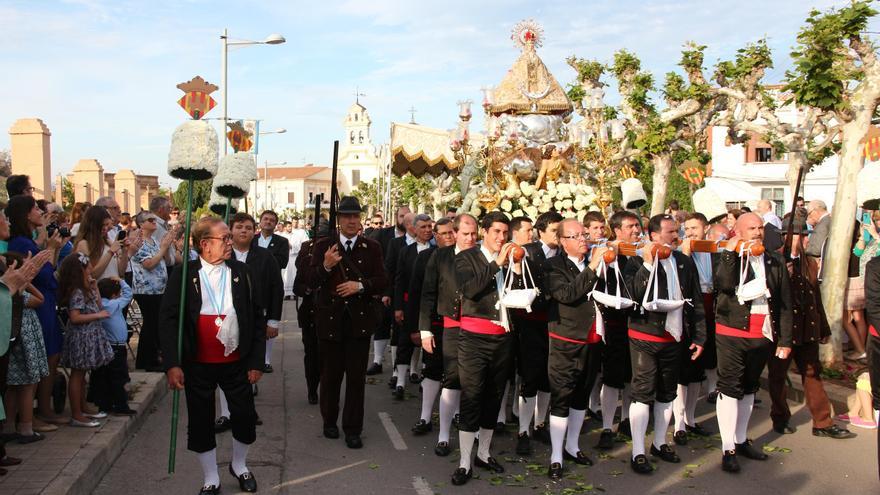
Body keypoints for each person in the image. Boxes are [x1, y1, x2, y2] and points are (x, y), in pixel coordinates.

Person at [160, 217, 265, 494]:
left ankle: (239, 466)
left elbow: (255, 319)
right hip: (197, 364)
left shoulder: (242, 273)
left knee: (244, 415)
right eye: (225, 238)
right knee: (200, 420)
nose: (231, 242)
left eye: (230, 237)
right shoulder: (183, 276)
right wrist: (172, 364)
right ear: (205, 244)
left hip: (236, 363)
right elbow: (168, 321)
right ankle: (211, 478)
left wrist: (256, 362)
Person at [624, 214, 706, 474]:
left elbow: (695, 301)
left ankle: (660, 442)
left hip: (675, 336)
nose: (675, 235)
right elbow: (633, 295)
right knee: (642, 392)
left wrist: (700, 336)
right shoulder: (636, 259)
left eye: (676, 230)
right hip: (644, 335)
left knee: (667, 392)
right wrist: (648, 265)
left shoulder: (682, 261)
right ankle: (638, 450)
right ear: (653, 235)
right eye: (669, 231)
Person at [714, 212, 792, 473]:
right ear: (737, 231)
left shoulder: (774, 260)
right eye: (751, 228)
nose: (757, 232)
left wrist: (786, 339)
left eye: (760, 228)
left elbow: (784, 303)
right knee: (730, 387)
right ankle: (728, 448)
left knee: (749, 388)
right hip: (732, 332)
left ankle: (740, 439)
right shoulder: (730, 257)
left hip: (762, 335)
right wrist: (730, 254)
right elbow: (724, 285)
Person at [309, 196, 388, 449]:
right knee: (330, 377)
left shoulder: (372, 247)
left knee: (356, 379)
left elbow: (384, 280)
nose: (352, 221)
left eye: (355, 216)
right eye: (346, 216)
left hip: (359, 321)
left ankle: (353, 428)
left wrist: (360, 286)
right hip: (329, 321)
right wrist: (326, 266)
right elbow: (309, 281)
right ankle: (329, 421)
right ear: (339, 220)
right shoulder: (323, 246)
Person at [451, 211, 522, 486]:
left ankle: (483, 452)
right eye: (496, 232)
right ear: (484, 232)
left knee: (494, 396)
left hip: (503, 337)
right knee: (472, 396)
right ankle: (464, 461)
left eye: (505, 233)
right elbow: (470, 289)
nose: (501, 238)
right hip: (474, 338)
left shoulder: (512, 258)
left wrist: (515, 268)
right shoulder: (466, 258)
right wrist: (497, 264)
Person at [767, 216, 854, 439]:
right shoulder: (774, 262)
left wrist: (823, 328)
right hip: (783, 331)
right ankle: (780, 417)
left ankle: (822, 422)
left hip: (807, 328)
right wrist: (782, 272)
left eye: (805, 235)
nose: (805, 239)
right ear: (787, 237)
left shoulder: (810, 263)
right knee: (778, 377)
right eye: (800, 235)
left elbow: (816, 298)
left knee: (813, 375)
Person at [543, 219, 608, 479]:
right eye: (577, 235)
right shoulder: (552, 266)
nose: (584, 239)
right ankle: (556, 454)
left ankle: (572, 445)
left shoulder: (596, 261)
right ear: (563, 241)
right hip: (566, 339)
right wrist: (593, 266)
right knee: (562, 395)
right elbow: (568, 294)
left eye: (584, 234)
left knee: (582, 394)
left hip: (593, 338)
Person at [419, 214, 477, 456]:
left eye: (474, 234)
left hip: (478, 326)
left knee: (474, 383)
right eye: (465, 234)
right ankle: (444, 435)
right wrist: (425, 330)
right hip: (451, 325)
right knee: (451, 379)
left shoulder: (484, 256)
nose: (470, 238)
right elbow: (428, 293)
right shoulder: (441, 256)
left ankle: (471, 431)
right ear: (454, 233)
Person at [6, 195, 65, 428]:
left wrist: (53, 250)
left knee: (50, 356)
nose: (40, 212)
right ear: (25, 214)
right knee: (40, 360)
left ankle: (43, 409)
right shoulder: (20, 243)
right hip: (35, 304)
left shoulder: (30, 240)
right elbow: (38, 273)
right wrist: (49, 249)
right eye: (35, 209)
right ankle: (36, 413)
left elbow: (49, 269)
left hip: (46, 300)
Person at [514, 211, 561, 455]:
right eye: (554, 230)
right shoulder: (529, 252)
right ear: (540, 231)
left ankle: (540, 422)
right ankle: (523, 429)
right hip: (531, 323)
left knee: (547, 377)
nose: (559, 235)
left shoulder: (565, 253)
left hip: (555, 323)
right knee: (531, 376)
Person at [597, 211, 641, 448]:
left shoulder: (643, 252)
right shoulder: (607, 253)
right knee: (612, 378)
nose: (636, 230)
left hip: (637, 322)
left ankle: (626, 420)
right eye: (630, 227)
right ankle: (606, 426)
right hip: (614, 322)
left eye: (637, 226)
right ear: (616, 230)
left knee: (632, 376)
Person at [406, 218, 453, 435]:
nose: (448, 237)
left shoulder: (466, 257)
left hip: (458, 325)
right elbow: (416, 294)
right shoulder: (425, 257)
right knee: (433, 370)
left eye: (451, 232)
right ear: (435, 236)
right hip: (434, 322)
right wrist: (416, 327)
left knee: (457, 375)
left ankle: (456, 414)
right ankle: (425, 417)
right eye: (443, 233)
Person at [57, 253, 115, 427]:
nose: (91, 269)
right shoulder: (76, 292)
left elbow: (99, 305)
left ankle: (83, 407)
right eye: (88, 266)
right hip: (81, 337)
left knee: (82, 376)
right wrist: (97, 315)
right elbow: (75, 317)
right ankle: (76, 414)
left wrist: (95, 288)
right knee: (77, 375)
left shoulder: (85, 288)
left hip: (89, 335)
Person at [674, 213, 716, 444]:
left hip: (709, 314)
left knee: (698, 371)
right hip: (688, 315)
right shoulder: (680, 254)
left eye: (694, 228)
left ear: (705, 228)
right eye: (686, 228)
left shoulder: (714, 251)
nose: (690, 233)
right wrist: (686, 253)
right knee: (684, 370)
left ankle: (690, 418)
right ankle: (678, 422)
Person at [2, 253, 48, 443]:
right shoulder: (19, 294)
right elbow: (40, 299)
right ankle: (26, 428)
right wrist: (26, 281)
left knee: (12, 386)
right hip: (24, 340)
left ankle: (9, 426)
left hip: (13, 340)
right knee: (28, 385)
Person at [391, 214, 434, 400]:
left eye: (429, 227)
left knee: (429, 342)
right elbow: (399, 280)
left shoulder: (436, 251)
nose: (427, 230)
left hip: (430, 305)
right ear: (414, 229)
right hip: (409, 304)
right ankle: (400, 380)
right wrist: (398, 306)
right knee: (404, 341)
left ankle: (425, 377)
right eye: (423, 227)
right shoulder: (406, 252)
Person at [129, 211, 178, 370]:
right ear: (141, 224)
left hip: (159, 289)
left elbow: (165, 259)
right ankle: (145, 361)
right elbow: (149, 263)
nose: (154, 222)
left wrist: (167, 245)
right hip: (146, 290)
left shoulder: (154, 240)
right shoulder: (139, 242)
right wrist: (164, 248)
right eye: (150, 220)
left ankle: (154, 357)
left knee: (156, 323)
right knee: (150, 324)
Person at [367, 206, 411, 377]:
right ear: (395, 217)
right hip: (385, 287)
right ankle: (377, 360)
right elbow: (378, 264)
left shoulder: (415, 238)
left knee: (400, 327)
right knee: (381, 323)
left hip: (404, 289)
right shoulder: (383, 235)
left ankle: (398, 367)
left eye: (407, 217)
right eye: (401, 216)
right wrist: (381, 289)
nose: (404, 220)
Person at [293, 219, 330, 405]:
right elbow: (297, 286)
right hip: (310, 313)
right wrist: (308, 289)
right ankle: (312, 389)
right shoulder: (307, 254)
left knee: (329, 356)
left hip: (330, 313)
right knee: (311, 354)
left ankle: (327, 389)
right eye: (318, 238)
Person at [377, 211, 416, 387]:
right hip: (399, 295)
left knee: (416, 333)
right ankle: (396, 371)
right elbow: (389, 270)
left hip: (418, 297)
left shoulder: (430, 245)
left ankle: (414, 370)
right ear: (409, 226)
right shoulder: (395, 244)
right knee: (398, 333)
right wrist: (387, 292)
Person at [92, 277, 136, 415]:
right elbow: (129, 294)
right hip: (117, 346)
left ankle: (105, 404)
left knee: (105, 376)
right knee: (119, 377)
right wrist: (121, 281)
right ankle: (121, 405)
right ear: (114, 295)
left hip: (108, 346)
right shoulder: (113, 305)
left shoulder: (100, 305)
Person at [74, 206, 133, 281]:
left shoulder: (108, 242)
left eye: (107, 225)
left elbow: (121, 272)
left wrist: (125, 251)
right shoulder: (83, 244)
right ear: (93, 225)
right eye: (102, 225)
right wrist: (110, 252)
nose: (105, 228)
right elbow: (92, 275)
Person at [282, 218, 310, 300]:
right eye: (288, 226)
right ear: (285, 227)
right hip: (286, 258)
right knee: (286, 276)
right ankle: (286, 294)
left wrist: (291, 246)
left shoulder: (297, 235)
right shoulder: (282, 236)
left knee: (294, 275)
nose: (290, 228)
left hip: (294, 257)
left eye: (291, 226)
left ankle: (294, 293)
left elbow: (299, 246)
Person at [805, 200, 831, 279]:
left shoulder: (823, 224)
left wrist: (805, 250)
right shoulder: (828, 220)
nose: (809, 216)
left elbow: (818, 249)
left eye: (809, 213)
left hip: (819, 266)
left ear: (816, 210)